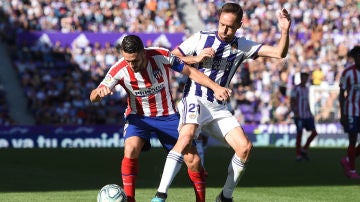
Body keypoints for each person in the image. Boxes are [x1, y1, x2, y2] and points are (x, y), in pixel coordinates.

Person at [151, 2, 291, 202]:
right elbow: (172, 58)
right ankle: (160, 195)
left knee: (244, 148)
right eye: (222, 24)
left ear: (239, 26)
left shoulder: (242, 45)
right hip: (195, 99)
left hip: (218, 108)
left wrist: (285, 31)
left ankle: (225, 197)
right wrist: (197, 57)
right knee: (186, 136)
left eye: (230, 26)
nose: (224, 30)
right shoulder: (201, 38)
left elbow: (279, 53)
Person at [89, 35, 232, 202]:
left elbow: (191, 71)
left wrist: (215, 87)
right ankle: (130, 199)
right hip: (139, 117)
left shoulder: (160, 55)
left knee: (193, 161)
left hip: (168, 116)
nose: (131, 65)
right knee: (130, 149)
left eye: (134, 60)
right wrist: (99, 94)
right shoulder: (118, 69)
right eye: (127, 60)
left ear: (143, 53)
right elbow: (93, 96)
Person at [339, 45, 360, 179]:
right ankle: (351, 169)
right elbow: (341, 94)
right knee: (352, 139)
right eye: (357, 56)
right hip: (351, 111)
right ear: (354, 58)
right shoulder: (347, 73)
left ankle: (347, 159)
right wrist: (342, 114)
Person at [290, 71, 318, 161]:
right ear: (301, 78)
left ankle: (304, 149)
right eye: (303, 78)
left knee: (314, 133)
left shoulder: (307, 89)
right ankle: (298, 155)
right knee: (299, 134)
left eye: (306, 78)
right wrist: (295, 113)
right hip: (299, 116)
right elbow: (292, 101)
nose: (305, 80)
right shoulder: (296, 89)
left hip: (307, 115)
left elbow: (307, 102)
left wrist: (310, 112)